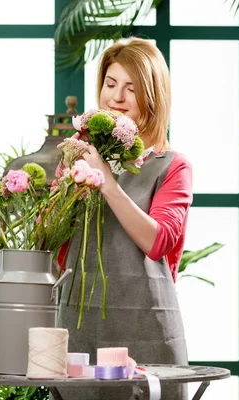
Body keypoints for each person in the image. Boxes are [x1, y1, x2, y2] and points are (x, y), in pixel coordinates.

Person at [57, 37, 192, 399]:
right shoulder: (76, 160)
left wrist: (106, 181)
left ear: (153, 96)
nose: (116, 98)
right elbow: (56, 251)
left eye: (131, 89)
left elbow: (157, 241)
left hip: (148, 332)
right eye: (111, 84)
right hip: (80, 328)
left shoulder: (171, 165)